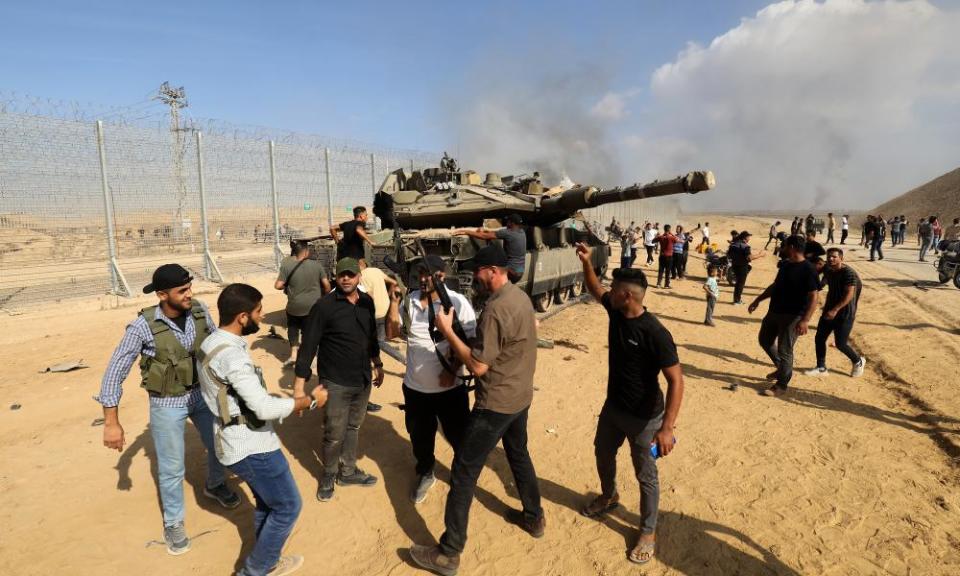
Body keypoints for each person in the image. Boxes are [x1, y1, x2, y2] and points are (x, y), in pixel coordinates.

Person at [409, 244, 543, 576]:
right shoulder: (519, 297)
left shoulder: (496, 310)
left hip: (495, 403)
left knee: (463, 473)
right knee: (518, 454)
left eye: (479, 271)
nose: (475, 278)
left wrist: (448, 331)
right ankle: (533, 516)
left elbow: (479, 366)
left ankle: (448, 553)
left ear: (493, 272)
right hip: (519, 396)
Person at [96, 264, 240, 556]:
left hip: (201, 395)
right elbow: (115, 370)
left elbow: (217, 345)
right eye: (182, 291)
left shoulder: (199, 311)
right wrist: (111, 422)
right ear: (162, 295)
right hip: (167, 403)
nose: (190, 295)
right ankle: (174, 522)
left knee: (218, 445)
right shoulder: (142, 327)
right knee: (172, 468)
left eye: (190, 288)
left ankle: (215, 485)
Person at [198, 283, 327, 576]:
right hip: (253, 447)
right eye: (258, 311)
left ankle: (266, 561)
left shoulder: (211, 343)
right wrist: (309, 401)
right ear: (243, 317)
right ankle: (255, 570)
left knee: (267, 505)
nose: (263, 315)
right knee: (288, 507)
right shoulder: (233, 357)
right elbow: (264, 409)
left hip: (232, 440)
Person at [574, 245, 684, 566]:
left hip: (646, 418)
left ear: (628, 296)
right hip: (614, 409)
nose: (610, 291)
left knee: (645, 475)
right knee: (602, 452)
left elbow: (676, 381)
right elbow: (595, 289)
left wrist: (667, 428)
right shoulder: (616, 309)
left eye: (616, 289)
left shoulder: (656, 333)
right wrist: (586, 262)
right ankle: (609, 496)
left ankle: (648, 531)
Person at [386, 254, 477, 504]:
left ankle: (463, 474)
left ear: (442, 275)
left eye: (429, 274)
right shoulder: (410, 301)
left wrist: (451, 370)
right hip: (415, 389)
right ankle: (426, 472)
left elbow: (472, 345)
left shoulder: (458, 303)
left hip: (450, 389)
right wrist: (393, 303)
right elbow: (391, 333)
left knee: (459, 436)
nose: (423, 279)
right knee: (420, 437)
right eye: (420, 274)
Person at [293, 258, 384, 502]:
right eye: (341, 274)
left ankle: (348, 471)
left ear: (358, 278)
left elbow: (371, 337)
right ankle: (329, 474)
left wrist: (377, 363)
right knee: (334, 432)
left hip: (362, 378)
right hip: (335, 380)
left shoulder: (366, 303)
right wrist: (299, 389)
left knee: (353, 426)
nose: (345, 278)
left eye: (350, 275)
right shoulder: (324, 306)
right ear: (335, 276)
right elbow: (308, 346)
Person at [748, 235, 819, 397]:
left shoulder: (808, 269)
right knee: (764, 340)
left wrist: (805, 320)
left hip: (793, 316)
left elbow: (814, 297)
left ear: (792, 247)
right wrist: (758, 299)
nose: (782, 248)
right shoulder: (786, 265)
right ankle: (781, 368)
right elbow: (775, 286)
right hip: (775, 311)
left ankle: (781, 385)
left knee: (785, 349)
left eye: (785, 245)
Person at [804, 249, 865, 378]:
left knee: (840, 344)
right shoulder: (828, 269)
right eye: (829, 257)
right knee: (819, 338)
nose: (831, 259)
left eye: (834, 257)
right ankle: (821, 367)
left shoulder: (848, 273)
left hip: (844, 313)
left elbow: (849, 294)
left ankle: (858, 361)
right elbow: (817, 273)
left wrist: (835, 310)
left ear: (841, 258)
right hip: (829, 310)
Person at [275, 240, 330, 368]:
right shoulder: (317, 266)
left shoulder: (286, 265)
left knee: (293, 328)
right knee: (310, 331)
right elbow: (326, 285)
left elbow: (278, 285)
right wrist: (324, 295)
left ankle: (294, 355)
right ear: (306, 252)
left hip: (294, 307)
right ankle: (311, 358)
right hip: (313, 307)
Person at [454, 214, 527, 282]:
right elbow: (498, 233)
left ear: (511, 223)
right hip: (519, 272)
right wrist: (488, 231)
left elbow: (483, 236)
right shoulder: (521, 232)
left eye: (508, 222)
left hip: (510, 272)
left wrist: (466, 231)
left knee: (482, 266)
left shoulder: (508, 233)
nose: (506, 223)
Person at [727, 231, 764, 304]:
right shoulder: (746, 246)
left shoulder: (733, 245)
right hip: (742, 266)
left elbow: (729, 255)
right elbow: (749, 258)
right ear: (745, 238)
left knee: (738, 283)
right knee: (740, 284)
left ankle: (736, 299)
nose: (749, 238)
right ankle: (737, 301)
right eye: (748, 237)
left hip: (734, 265)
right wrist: (760, 255)